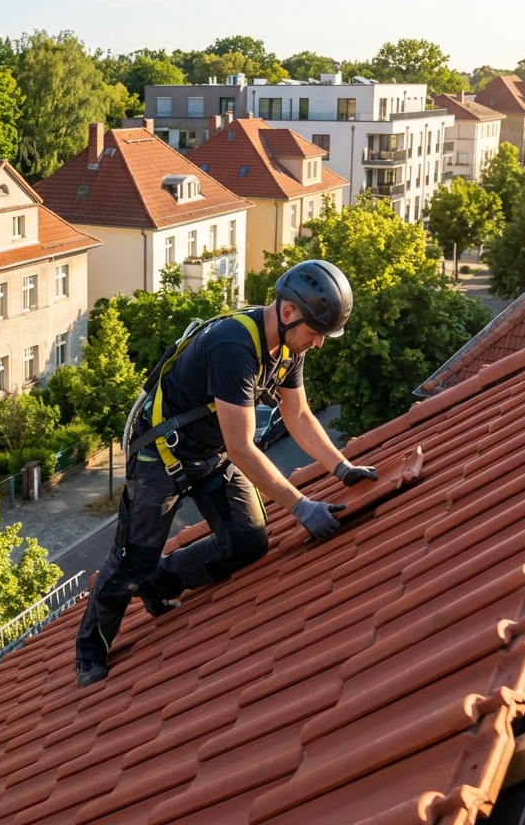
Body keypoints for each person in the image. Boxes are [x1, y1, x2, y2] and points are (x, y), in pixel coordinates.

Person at [74, 259, 377, 688]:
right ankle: (89, 651)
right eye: (315, 332)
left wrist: (342, 468)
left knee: (248, 542)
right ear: (288, 312)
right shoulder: (233, 346)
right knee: (132, 560)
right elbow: (242, 447)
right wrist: (301, 507)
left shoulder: (287, 349)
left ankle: (159, 582)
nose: (319, 343)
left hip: (210, 454)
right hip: (162, 456)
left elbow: (298, 415)